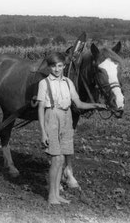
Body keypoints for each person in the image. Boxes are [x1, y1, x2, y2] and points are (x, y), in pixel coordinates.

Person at [37, 52, 105, 205]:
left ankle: (57, 194)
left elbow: (78, 103)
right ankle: (51, 196)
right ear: (49, 67)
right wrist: (43, 132)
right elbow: (40, 108)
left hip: (67, 117)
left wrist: (96, 105)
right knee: (56, 158)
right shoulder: (44, 83)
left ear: (64, 66)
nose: (56, 69)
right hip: (52, 117)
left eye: (59, 66)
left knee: (62, 159)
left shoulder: (68, 82)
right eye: (53, 66)